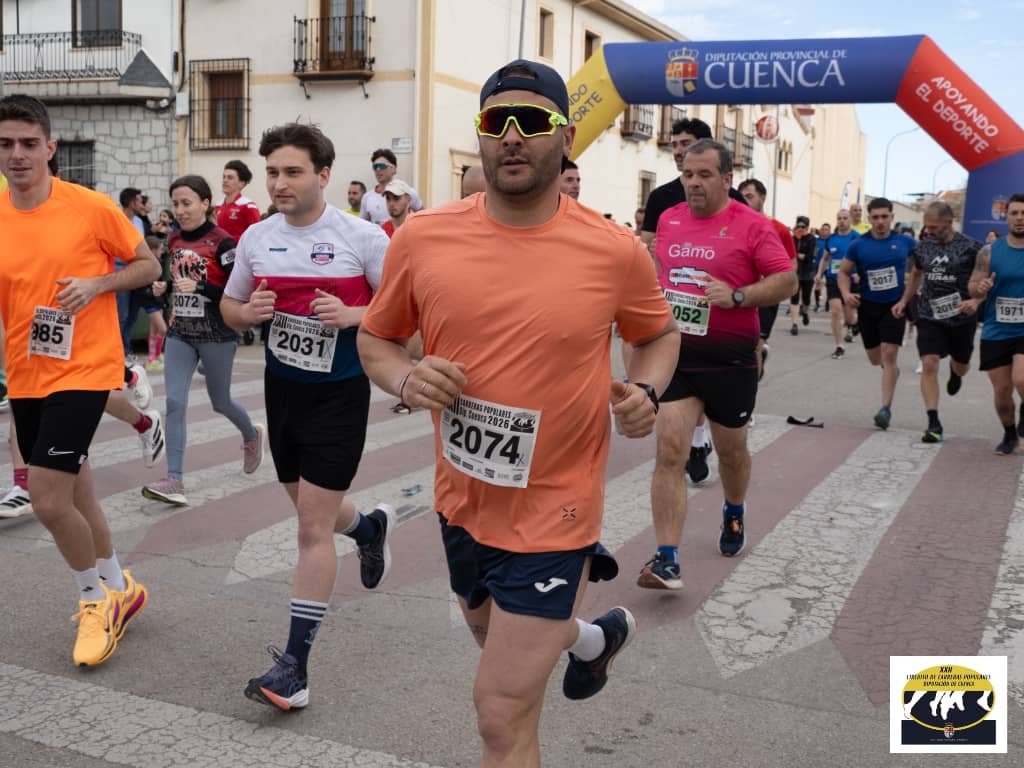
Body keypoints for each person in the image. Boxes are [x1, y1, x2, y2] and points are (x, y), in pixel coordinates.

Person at [357, 59, 679, 767]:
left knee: (499, 713)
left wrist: (646, 393)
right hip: (462, 501)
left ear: (565, 137)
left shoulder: (613, 250)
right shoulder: (423, 237)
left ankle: (581, 640)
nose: (510, 135)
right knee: (505, 672)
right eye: (494, 121)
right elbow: (376, 339)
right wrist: (407, 378)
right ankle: (593, 640)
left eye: (530, 121)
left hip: (556, 511)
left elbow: (658, 335)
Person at [221, 122, 395, 711]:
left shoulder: (363, 237)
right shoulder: (257, 237)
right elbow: (229, 306)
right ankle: (368, 530)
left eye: (293, 172)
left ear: (323, 175)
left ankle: (294, 668)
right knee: (309, 507)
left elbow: (405, 310)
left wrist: (355, 315)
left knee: (310, 529)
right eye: (273, 172)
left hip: (340, 394)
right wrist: (248, 311)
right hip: (283, 390)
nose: (279, 183)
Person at [0, 93, 160, 666]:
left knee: (47, 500)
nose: (17, 155)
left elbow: (148, 265)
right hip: (26, 371)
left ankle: (96, 601)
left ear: (50, 148)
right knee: (77, 493)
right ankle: (121, 586)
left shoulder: (89, 207)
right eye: (5, 144)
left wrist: (96, 285)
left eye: (28, 143)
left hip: (85, 366)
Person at [638, 138, 796, 590]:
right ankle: (667, 558)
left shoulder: (752, 225)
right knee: (670, 450)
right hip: (678, 356)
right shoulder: (669, 219)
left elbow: (786, 281)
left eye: (704, 175)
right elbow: (660, 276)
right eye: (688, 174)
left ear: (727, 178)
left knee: (731, 452)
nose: (694, 183)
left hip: (731, 360)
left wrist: (738, 296)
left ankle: (734, 508)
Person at [141, 174, 264, 506]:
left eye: (187, 203)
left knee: (220, 402)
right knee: (174, 403)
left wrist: (200, 288)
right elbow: (179, 278)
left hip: (217, 335)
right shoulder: (174, 239)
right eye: (175, 204)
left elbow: (240, 292)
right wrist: (165, 287)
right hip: (180, 333)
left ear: (205, 203)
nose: (180, 210)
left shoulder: (223, 243)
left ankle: (251, 434)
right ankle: (174, 479)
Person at [893, 201, 981, 443]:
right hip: (929, 315)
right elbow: (916, 275)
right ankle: (933, 422)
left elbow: (984, 279)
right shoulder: (923, 247)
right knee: (929, 363)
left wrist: (976, 300)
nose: (928, 231)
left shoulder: (972, 247)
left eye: (933, 227)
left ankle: (956, 372)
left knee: (962, 365)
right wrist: (904, 300)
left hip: (961, 316)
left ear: (949, 223)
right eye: (926, 227)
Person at [837, 197, 917, 429]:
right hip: (868, 306)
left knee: (889, 354)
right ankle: (890, 371)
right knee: (876, 360)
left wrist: (906, 297)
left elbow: (921, 267)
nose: (880, 221)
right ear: (869, 218)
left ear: (892, 217)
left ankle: (885, 409)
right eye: (876, 217)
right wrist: (846, 294)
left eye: (885, 217)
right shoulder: (858, 245)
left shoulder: (905, 242)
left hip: (894, 306)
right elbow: (843, 273)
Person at [969, 193, 1024, 455]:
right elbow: (973, 287)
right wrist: (979, 288)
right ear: (1007, 217)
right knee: (1002, 392)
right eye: (1014, 213)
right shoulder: (989, 251)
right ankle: (1009, 434)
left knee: (1021, 378)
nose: (1020, 218)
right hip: (997, 328)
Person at [735, 178, 797, 377]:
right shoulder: (734, 226)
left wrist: (773, 284)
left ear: (762, 198)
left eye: (749, 196)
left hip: (766, 295)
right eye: (741, 197)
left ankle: (750, 388)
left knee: (756, 342)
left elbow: (791, 266)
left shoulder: (779, 229)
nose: (744, 201)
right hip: (738, 293)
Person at [814, 209, 860, 358]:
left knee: (850, 317)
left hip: (851, 280)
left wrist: (859, 273)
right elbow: (825, 258)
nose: (842, 221)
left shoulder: (856, 238)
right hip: (833, 279)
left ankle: (854, 323)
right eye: (839, 218)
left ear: (850, 220)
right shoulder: (831, 239)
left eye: (845, 218)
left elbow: (864, 257)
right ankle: (839, 346)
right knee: (835, 311)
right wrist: (819, 274)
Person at [360, 148, 423, 224]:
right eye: (375, 166)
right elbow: (363, 225)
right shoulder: (367, 197)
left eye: (382, 166)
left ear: (394, 169)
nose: (378, 169)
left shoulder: (409, 192)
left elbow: (423, 218)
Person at [216, 159, 262, 241]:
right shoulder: (217, 206)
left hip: (238, 248)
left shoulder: (248, 206)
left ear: (241, 183)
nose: (225, 180)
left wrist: (229, 241)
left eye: (230, 178)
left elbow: (257, 234)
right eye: (224, 177)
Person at [790, 215, 817, 333]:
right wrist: (799, 255)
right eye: (798, 226)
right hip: (794, 273)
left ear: (807, 227)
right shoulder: (792, 239)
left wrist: (799, 255)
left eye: (803, 226)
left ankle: (805, 312)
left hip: (808, 273)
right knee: (794, 297)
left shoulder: (811, 239)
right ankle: (794, 324)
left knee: (806, 299)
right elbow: (788, 253)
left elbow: (810, 256)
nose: (800, 229)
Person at [813, 222, 831, 310]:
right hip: (818, 266)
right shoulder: (816, 241)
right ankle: (817, 303)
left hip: (829, 266)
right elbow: (814, 253)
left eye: (826, 230)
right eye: (823, 229)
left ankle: (828, 303)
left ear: (829, 231)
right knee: (818, 285)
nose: (824, 231)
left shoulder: (831, 241)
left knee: (829, 285)